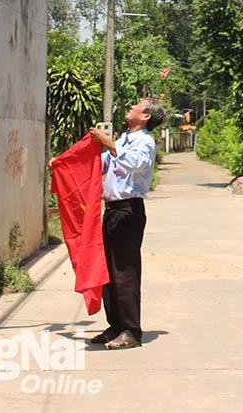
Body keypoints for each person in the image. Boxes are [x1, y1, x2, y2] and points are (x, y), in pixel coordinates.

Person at [89, 99, 165, 349]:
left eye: (136, 106)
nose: (130, 106)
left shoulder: (145, 142)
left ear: (145, 117)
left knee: (126, 271)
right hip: (112, 211)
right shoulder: (123, 140)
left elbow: (135, 164)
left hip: (128, 211)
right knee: (109, 271)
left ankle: (131, 330)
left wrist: (109, 144)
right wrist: (68, 163)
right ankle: (116, 325)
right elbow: (103, 164)